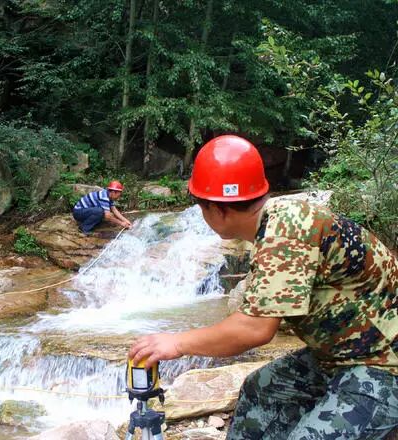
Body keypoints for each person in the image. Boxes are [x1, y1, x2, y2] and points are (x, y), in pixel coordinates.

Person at [128, 135, 398, 439]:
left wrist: (177, 343)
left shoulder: (286, 232)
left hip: (382, 363)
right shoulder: (278, 223)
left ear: (217, 211)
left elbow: (255, 329)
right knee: (261, 390)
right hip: (340, 355)